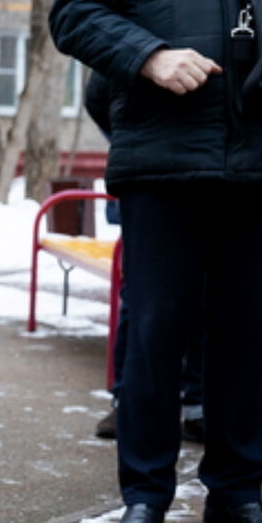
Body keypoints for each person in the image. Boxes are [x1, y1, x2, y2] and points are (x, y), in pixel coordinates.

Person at [51, 0, 262, 523]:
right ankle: (146, 498)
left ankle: (236, 497)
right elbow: (74, 12)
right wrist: (150, 55)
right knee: (157, 331)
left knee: (242, 334)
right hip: (161, 158)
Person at [84, 72, 205, 445]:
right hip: (150, 180)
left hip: (216, 179)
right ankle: (132, 403)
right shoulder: (137, 23)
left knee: (201, 295)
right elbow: (99, 95)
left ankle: (195, 405)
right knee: (144, 299)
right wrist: (137, 144)